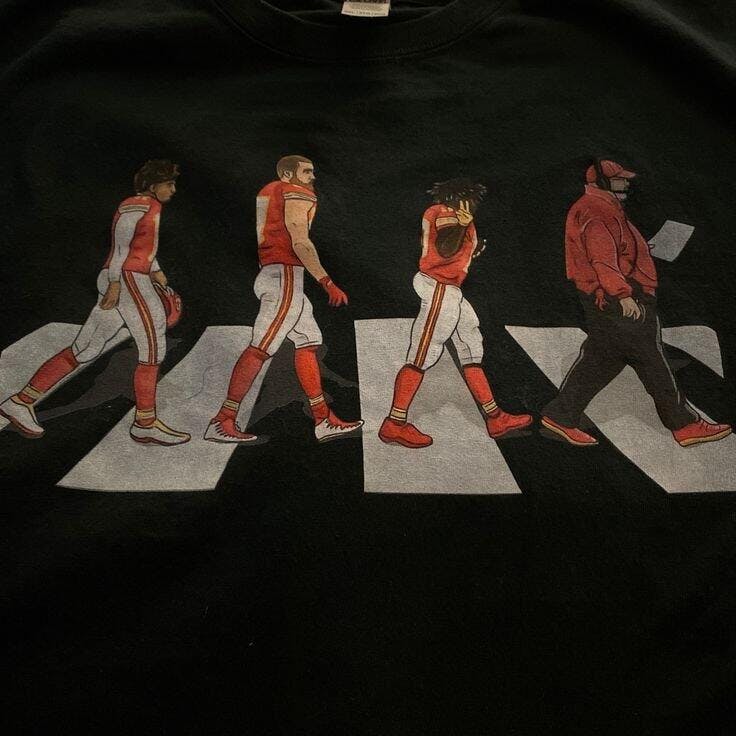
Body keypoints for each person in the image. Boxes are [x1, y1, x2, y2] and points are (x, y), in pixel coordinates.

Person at [541, 159, 731, 447]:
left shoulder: (604, 207)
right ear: (602, 182)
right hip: (617, 297)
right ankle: (684, 425)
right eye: (620, 179)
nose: (627, 182)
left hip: (609, 295)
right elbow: (602, 259)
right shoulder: (595, 211)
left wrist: (643, 250)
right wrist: (623, 295)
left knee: (601, 359)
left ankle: (560, 416)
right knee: (652, 360)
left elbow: (616, 249)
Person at [0, 160, 191, 446]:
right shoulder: (141, 205)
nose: (173, 189)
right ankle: (145, 423)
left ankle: (20, 401)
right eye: (169, 184)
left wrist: (156, 270)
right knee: (153, 349)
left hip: (127, 277)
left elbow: (139, 246)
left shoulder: (142, 205)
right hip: (128, 279)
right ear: (153, 186)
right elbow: (122, 245)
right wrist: (115, 282)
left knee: (85, 348)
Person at [205, 155, 363, 443]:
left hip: (279, 273)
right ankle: (222, 420)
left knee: (308, 342)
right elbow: (300, 240)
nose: (312, 177)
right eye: (307, 172)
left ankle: (322, 418)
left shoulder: (270, 191)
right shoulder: (295, 191)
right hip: (285, 275)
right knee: (260, 348)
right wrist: (327, 281)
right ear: (288, 174)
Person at [378, 178, 533, 449]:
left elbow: (451, 249)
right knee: (421, 355)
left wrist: (470, 244)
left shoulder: (450, 215)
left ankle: (495, 417)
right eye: (471, 200)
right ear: (461, 198)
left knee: (471, 350)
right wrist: (462, 227)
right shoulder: (444, 212)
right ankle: (394, 423)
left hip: (451, 289)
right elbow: (445, 248)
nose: (473, 206)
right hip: (439, 286)